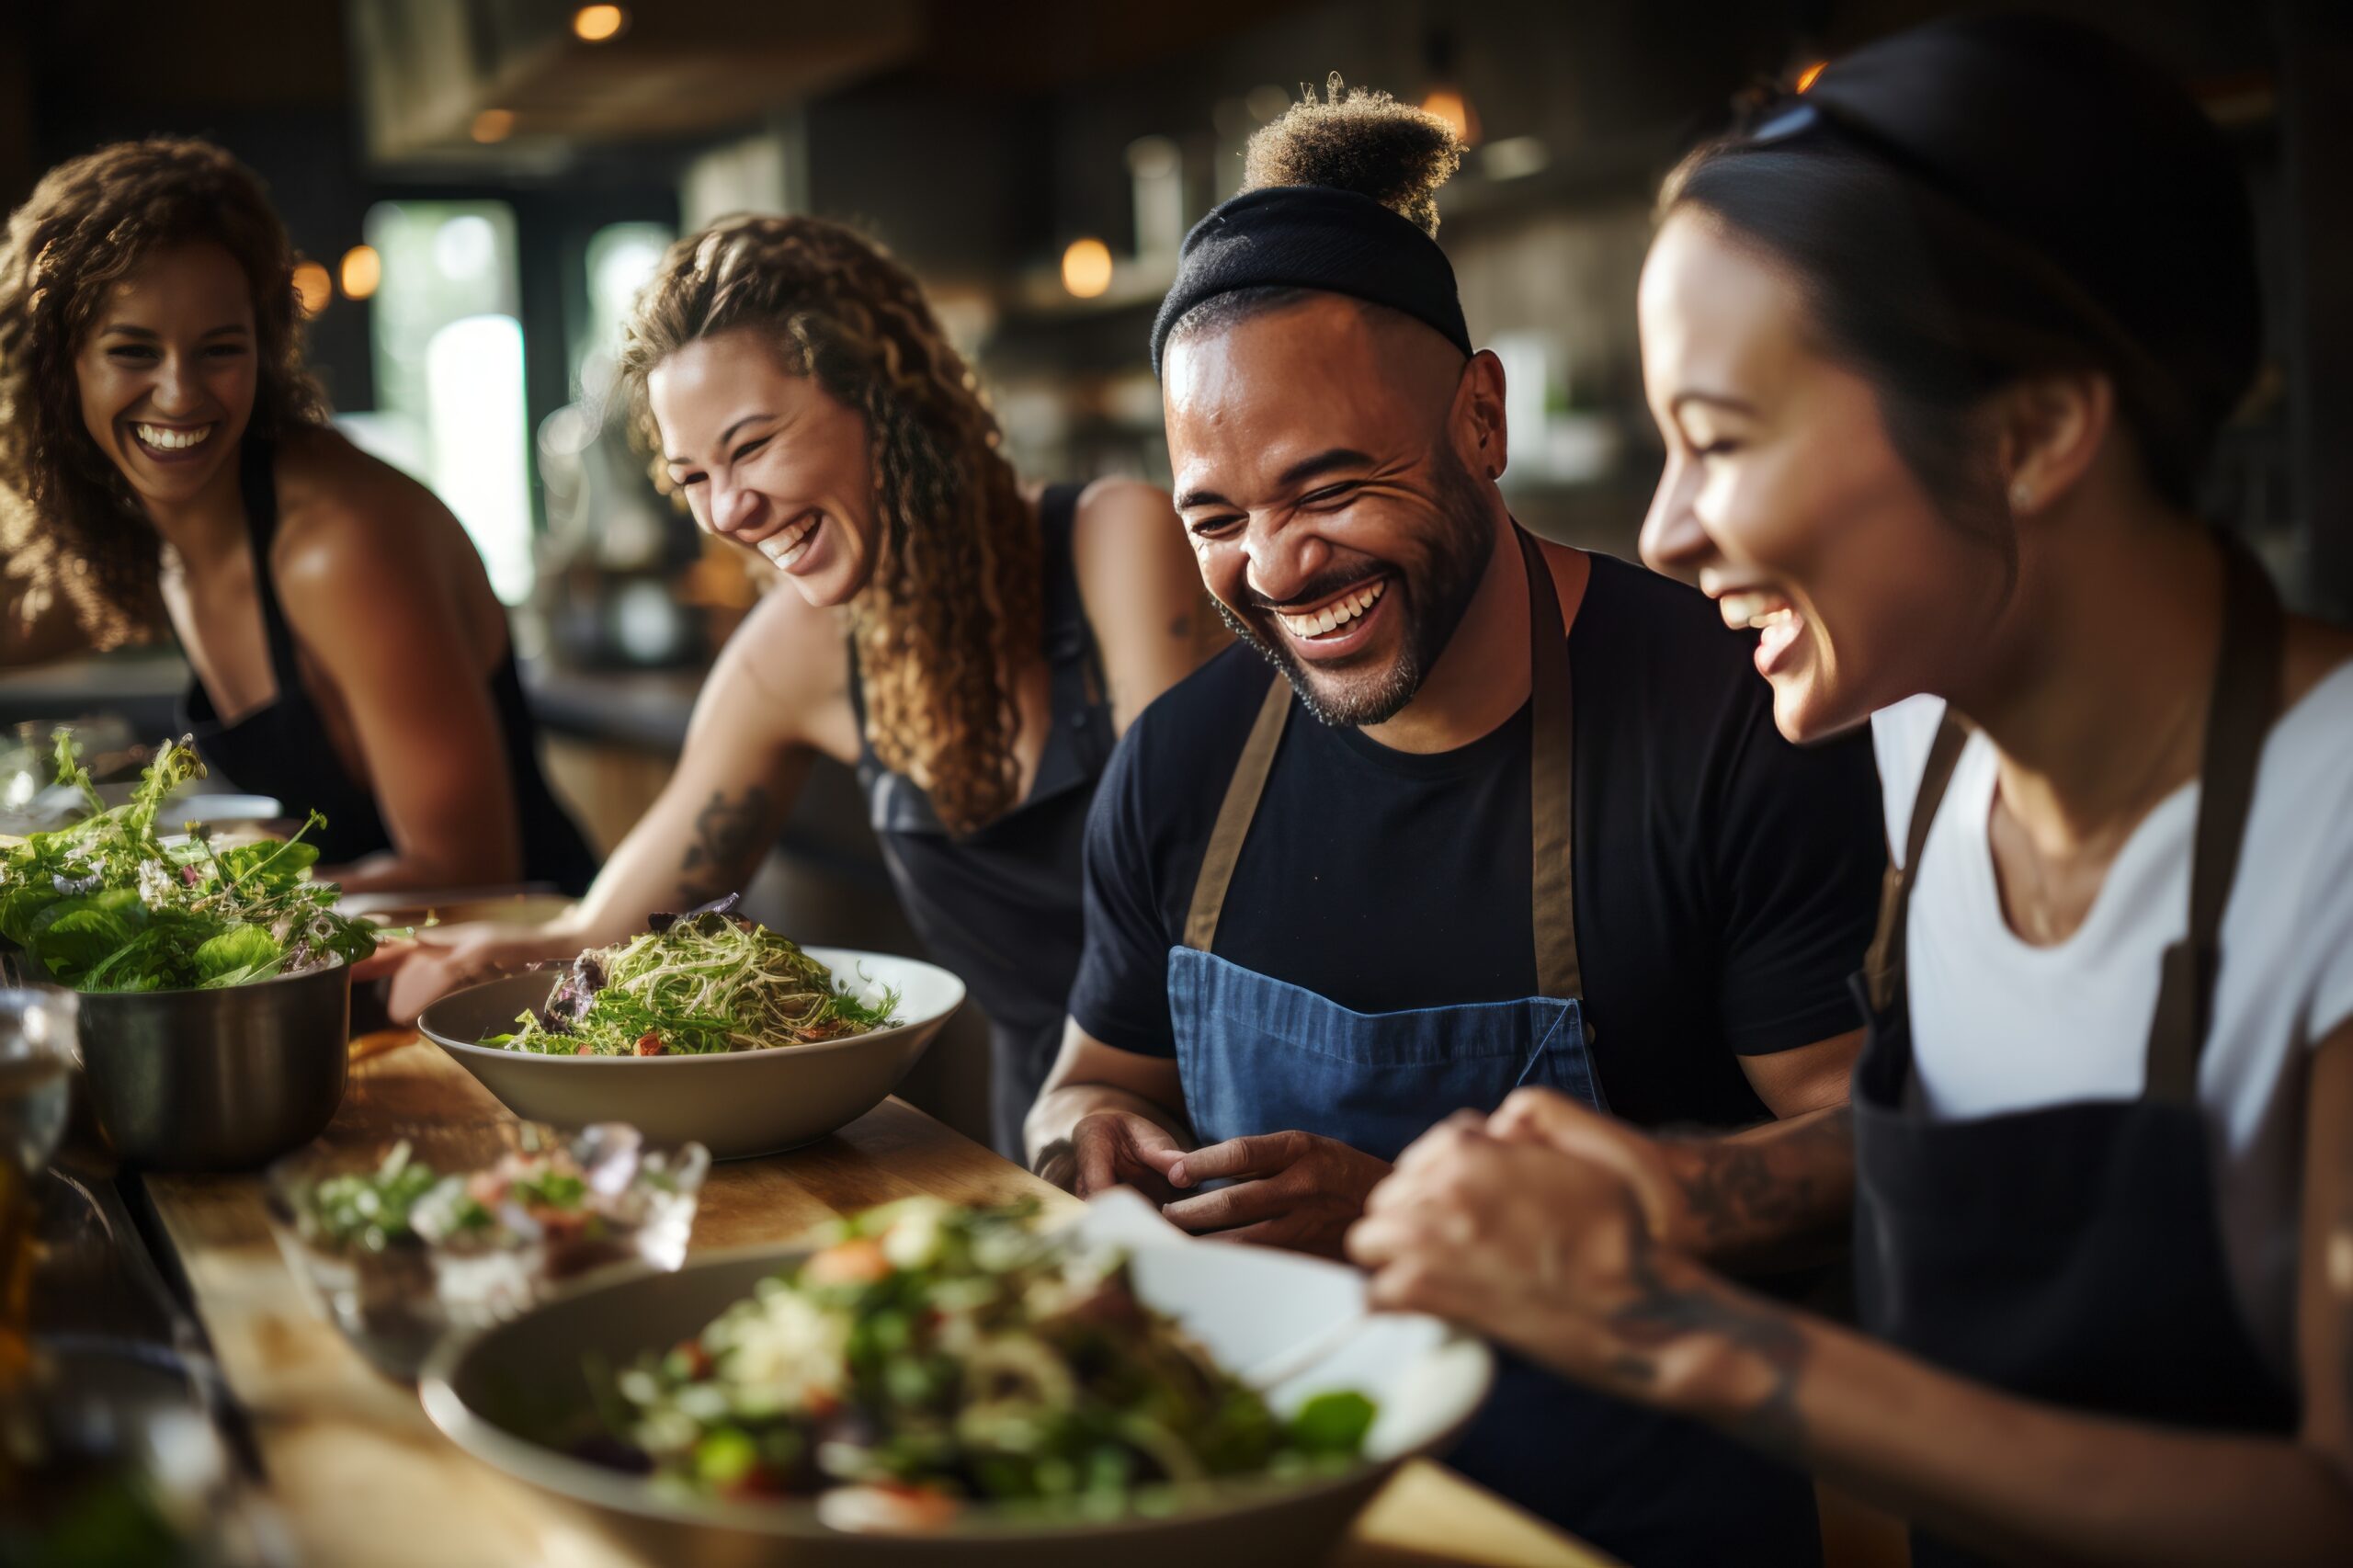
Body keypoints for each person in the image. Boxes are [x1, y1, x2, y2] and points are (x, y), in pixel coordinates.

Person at [1347, 17, 2353, 1566]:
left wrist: (1672, 1329)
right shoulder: (1924, 737)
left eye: (1721, 440)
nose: (1668, 531)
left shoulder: (2330, 834)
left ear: (2028, 433)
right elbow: (2020, 1152)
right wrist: (1680, 1190)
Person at [1024, 79, 1887, 1564]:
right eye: (1216, 516)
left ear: (1480, 419)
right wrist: (1094, 1141)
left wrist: (1432, 1219)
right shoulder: (1181, 763)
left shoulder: (1727, 719)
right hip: (1276, 1498)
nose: (1279, 568)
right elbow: (1082, 1082)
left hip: (1632, 1517)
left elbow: (1864, 1149)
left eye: (1331, 486)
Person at [384, 214, 1222, 1155]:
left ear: (886, 398)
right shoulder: (792, 651)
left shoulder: (1118, 540)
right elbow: (618, 930)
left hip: (1242, 1100)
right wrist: (466, 955)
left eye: (750, 446)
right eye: (691, 473)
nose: (729, 510)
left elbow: (1181, 889)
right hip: (1067, 1134)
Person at [0, 139, 596, 893]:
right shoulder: (164, 529)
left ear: (266, 351)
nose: (180, 394)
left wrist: (193, 890)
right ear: (63, 367)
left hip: (528, 981)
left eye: (220, 350)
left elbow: (471, 874)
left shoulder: (338, 542)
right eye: (133, 351)